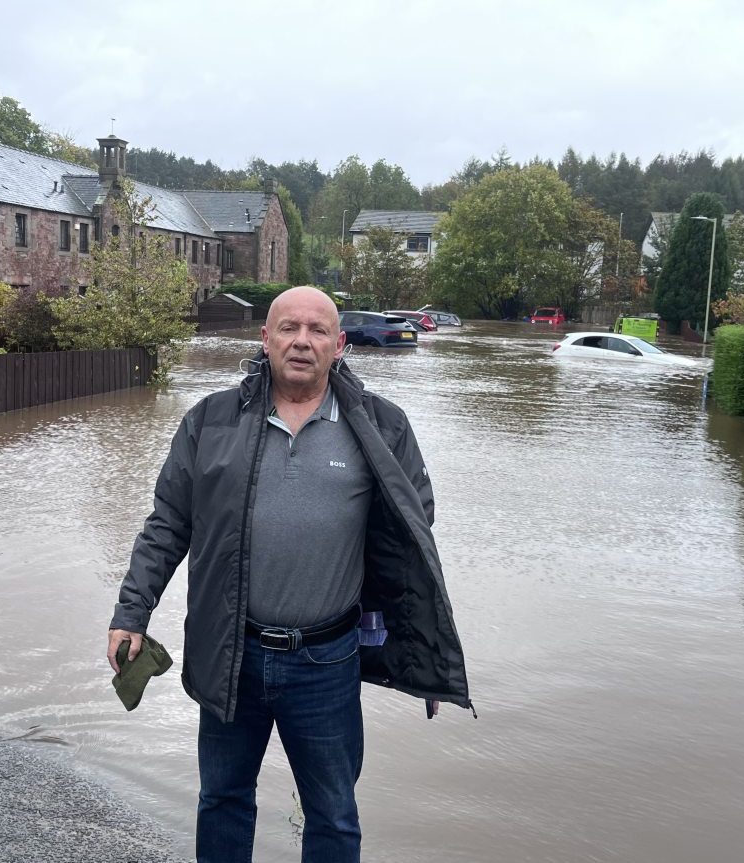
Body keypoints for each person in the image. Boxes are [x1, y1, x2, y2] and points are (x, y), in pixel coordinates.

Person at [107, 286, 471, 863]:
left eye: (317, 330)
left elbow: (411, 533)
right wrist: (132, 612)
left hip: (328, 661)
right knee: (223, 799)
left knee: (332, 812)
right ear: (265, 338)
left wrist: (411, 635)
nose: (302, 341)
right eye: (289, 328)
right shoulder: (211, 421)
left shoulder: (382, 427)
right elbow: (167, 525)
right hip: (232, 653)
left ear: (339, 345)